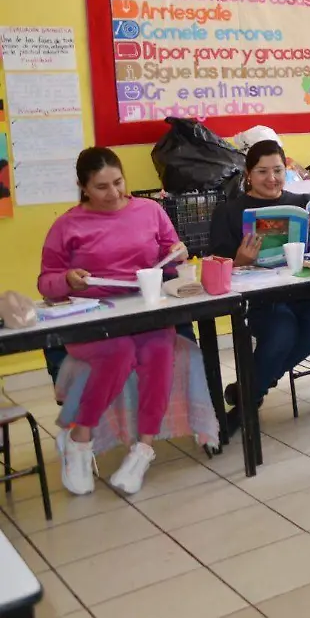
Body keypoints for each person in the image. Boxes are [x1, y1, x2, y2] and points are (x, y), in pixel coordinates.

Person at [39, 147, 189, 496]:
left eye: (118, 182)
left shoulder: (150, 210)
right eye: (102, 187)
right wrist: (67, 280)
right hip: (92, 316)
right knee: (119, 352)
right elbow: (46, 282)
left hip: (144, 309)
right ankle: (79, 439)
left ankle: (143, 449)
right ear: (83, 187)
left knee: (158, 350)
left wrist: (178, 253)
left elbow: (172, 254)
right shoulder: (68, 225)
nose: (114, 193)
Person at [210, 140, 310, 433]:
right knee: (282, 330)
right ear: (248, 174)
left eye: (278, 170)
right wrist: (239, 260)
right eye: (262, 171)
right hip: (259, 299)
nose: (272, 178)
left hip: (301, 291)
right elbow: (216, 262)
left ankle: (250, 389)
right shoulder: (228, 212)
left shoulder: (301, 204)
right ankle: (247, 405)